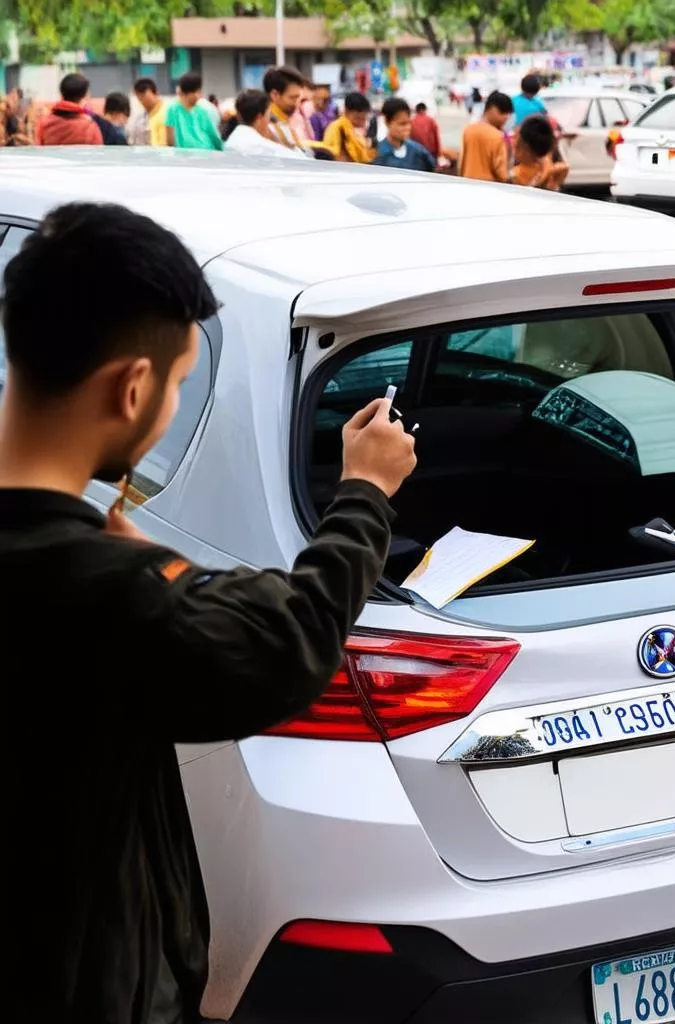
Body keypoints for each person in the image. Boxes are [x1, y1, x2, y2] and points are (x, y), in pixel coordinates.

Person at [3, 202, 417, 1023]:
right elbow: (291, 636)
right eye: (178, 384)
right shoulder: (110, 595)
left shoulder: (100, 584)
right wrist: (366, 492)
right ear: (131, 387)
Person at [223, 89, 307, 159]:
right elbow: (301, 161)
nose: (269, 120)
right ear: (260, 117)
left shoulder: (232, 140)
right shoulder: (262, 146)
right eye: (268, 114)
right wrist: (279, 141)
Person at [459, 91, 513, 183]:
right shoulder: (497, 136)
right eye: (503, 112)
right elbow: (501, 173)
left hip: (467, 182)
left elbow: (461, 162)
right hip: (489, 186)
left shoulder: (468, 130)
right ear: (492, 109)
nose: (506, 117)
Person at [36, 73, 102, 146]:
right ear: (85, 96)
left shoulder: (45, 123)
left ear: (61, 93)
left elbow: (39, 147)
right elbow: (98, 150)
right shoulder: (89, 126)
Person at [373, 97, 436, 172]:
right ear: (386, 121)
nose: (407, 128)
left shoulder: (419, 152)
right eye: (402, 124)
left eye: (409, 123)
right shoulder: (377, 155)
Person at [165, 72, 223, 151]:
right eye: (198, 91)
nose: (200, 95)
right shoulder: (173, 110)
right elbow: (169, 140)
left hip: (205, 153)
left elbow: (214, 136)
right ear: (188, 93)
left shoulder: (202, 111)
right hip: (188, 154)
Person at [263, 65, 313, 155]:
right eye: (293, 98)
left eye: (298, 97)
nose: (297, 103)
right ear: (275, 95)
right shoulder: (268, 127)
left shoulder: (286, 120)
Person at [511, 114, 568, 190]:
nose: (514, 143)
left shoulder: (515, 175)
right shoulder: (547, 167)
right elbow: (565, 167)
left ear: (524, 146)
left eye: (516, 138)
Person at [324, 91, 374, 163]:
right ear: (346, 111)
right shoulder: (337, 127)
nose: (361, 122)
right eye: (358, 118)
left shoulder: (356, 129)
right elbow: (333, 154)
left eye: (364, 118)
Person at [128, 77, 170, 147]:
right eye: (139, 97)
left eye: (144, 95)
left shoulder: (167, 112)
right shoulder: (139, 117)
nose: (142, 100)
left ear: (155, 93)